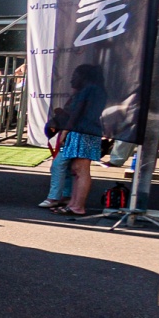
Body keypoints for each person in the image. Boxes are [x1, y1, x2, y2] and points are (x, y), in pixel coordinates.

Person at [56, 62, 107, 217]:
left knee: (81, 170)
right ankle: (73, 204)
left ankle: (78, 206)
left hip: (83, 131)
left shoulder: (89, 90)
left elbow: (77, 113)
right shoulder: (97, 90)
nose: (72, 79)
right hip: (88, 130)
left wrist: (65, 130)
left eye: (74, 76)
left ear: (83, 76)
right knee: (77, 169)